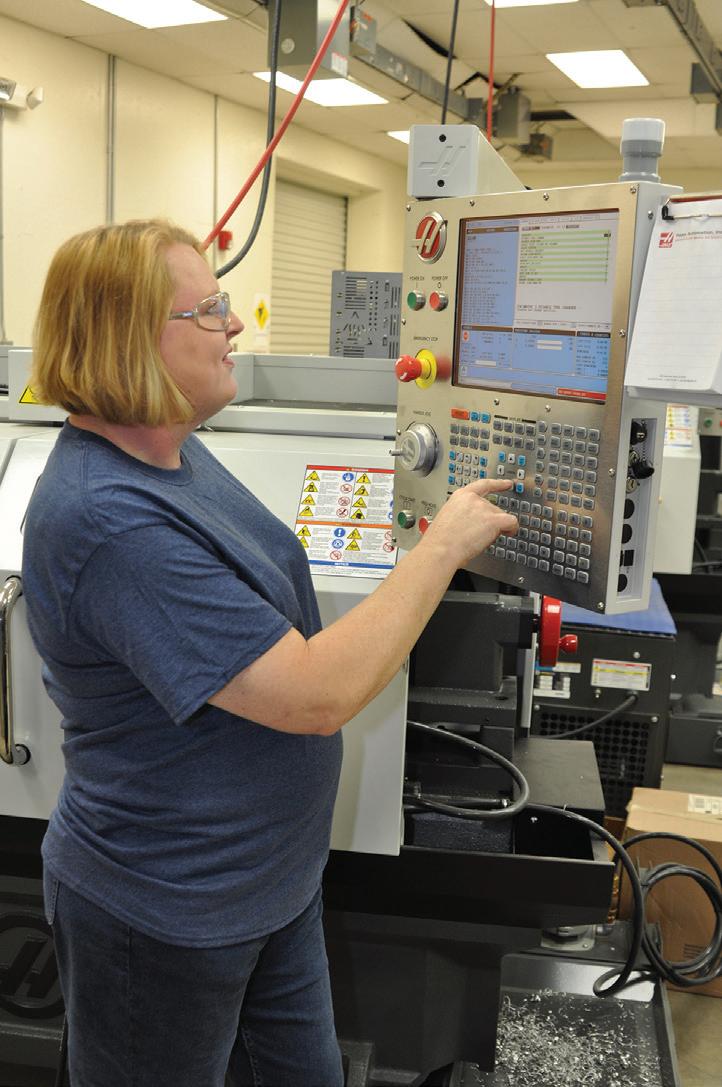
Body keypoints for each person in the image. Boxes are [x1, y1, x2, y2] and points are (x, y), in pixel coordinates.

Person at [22, 218, 518, 1087]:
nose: (233, 325)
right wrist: (439, 548)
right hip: (167, 913)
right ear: (128, 339)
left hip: (268, 886)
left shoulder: (174, 453)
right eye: (208, 310)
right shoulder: (107, 518)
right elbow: (312, 694)